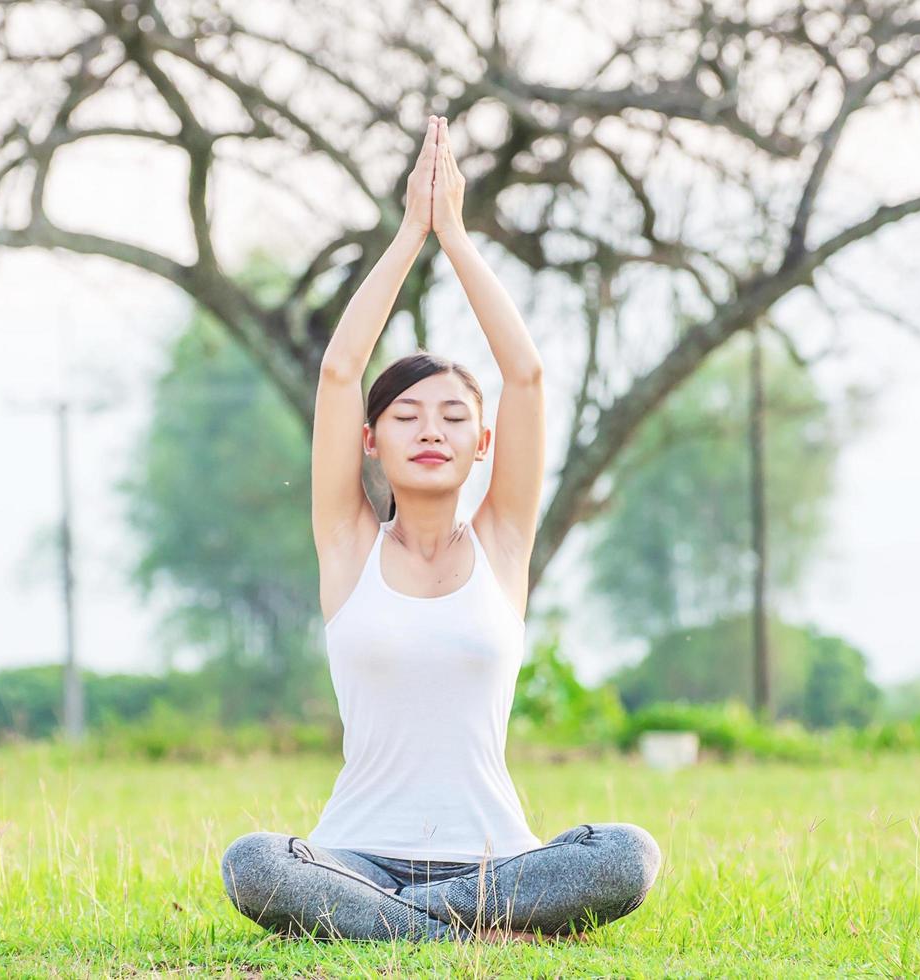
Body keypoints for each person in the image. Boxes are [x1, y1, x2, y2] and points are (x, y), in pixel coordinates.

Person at [219, 114, 661, 943]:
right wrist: (407, 235)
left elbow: (525, 376)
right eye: (407, 415)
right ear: (370, 440)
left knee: (626, 856)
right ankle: (453, 931)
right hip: (353, 858)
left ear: (480, 442)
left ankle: (394, 928)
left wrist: (453, 234)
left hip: (497, 862)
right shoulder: (348, 546)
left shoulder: (502, 547)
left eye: (453, 416)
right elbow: (340, 370)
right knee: (253, 862)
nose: (430, 430)